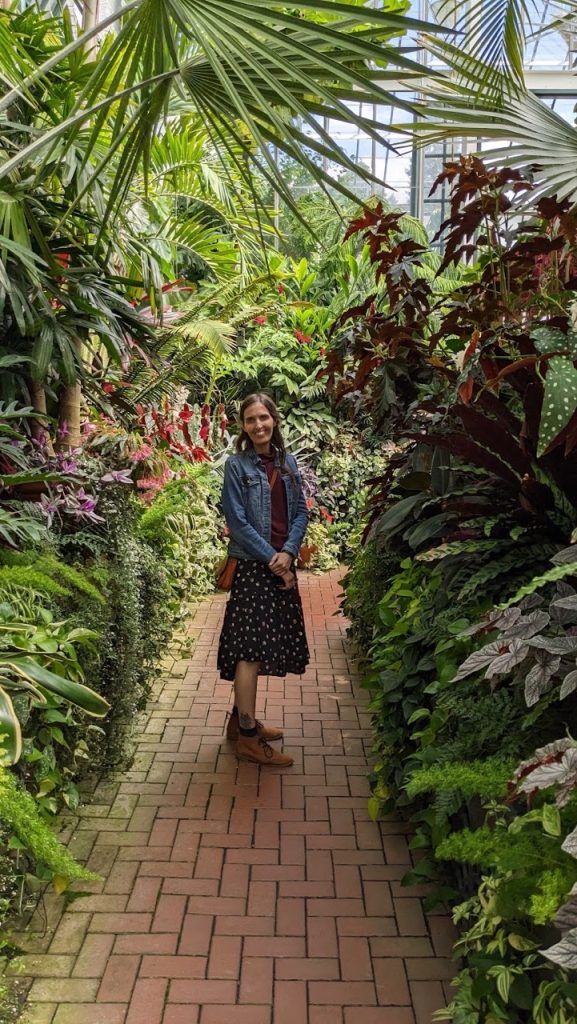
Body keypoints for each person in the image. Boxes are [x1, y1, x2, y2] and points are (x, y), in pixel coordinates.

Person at [217, 393, 310, 766]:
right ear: (243, 425)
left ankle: (241, 723)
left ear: (274, 419)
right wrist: (273, 559)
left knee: (254, 647)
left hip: (280, 562)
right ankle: (249, 738)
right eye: (251, 420)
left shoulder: (287, 463)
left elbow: (301, 511)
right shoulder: (237, 467)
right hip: (255, 568)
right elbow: (237, 523)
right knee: (249, 652)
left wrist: (288, 552)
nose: (259, 425)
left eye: (264, 418)